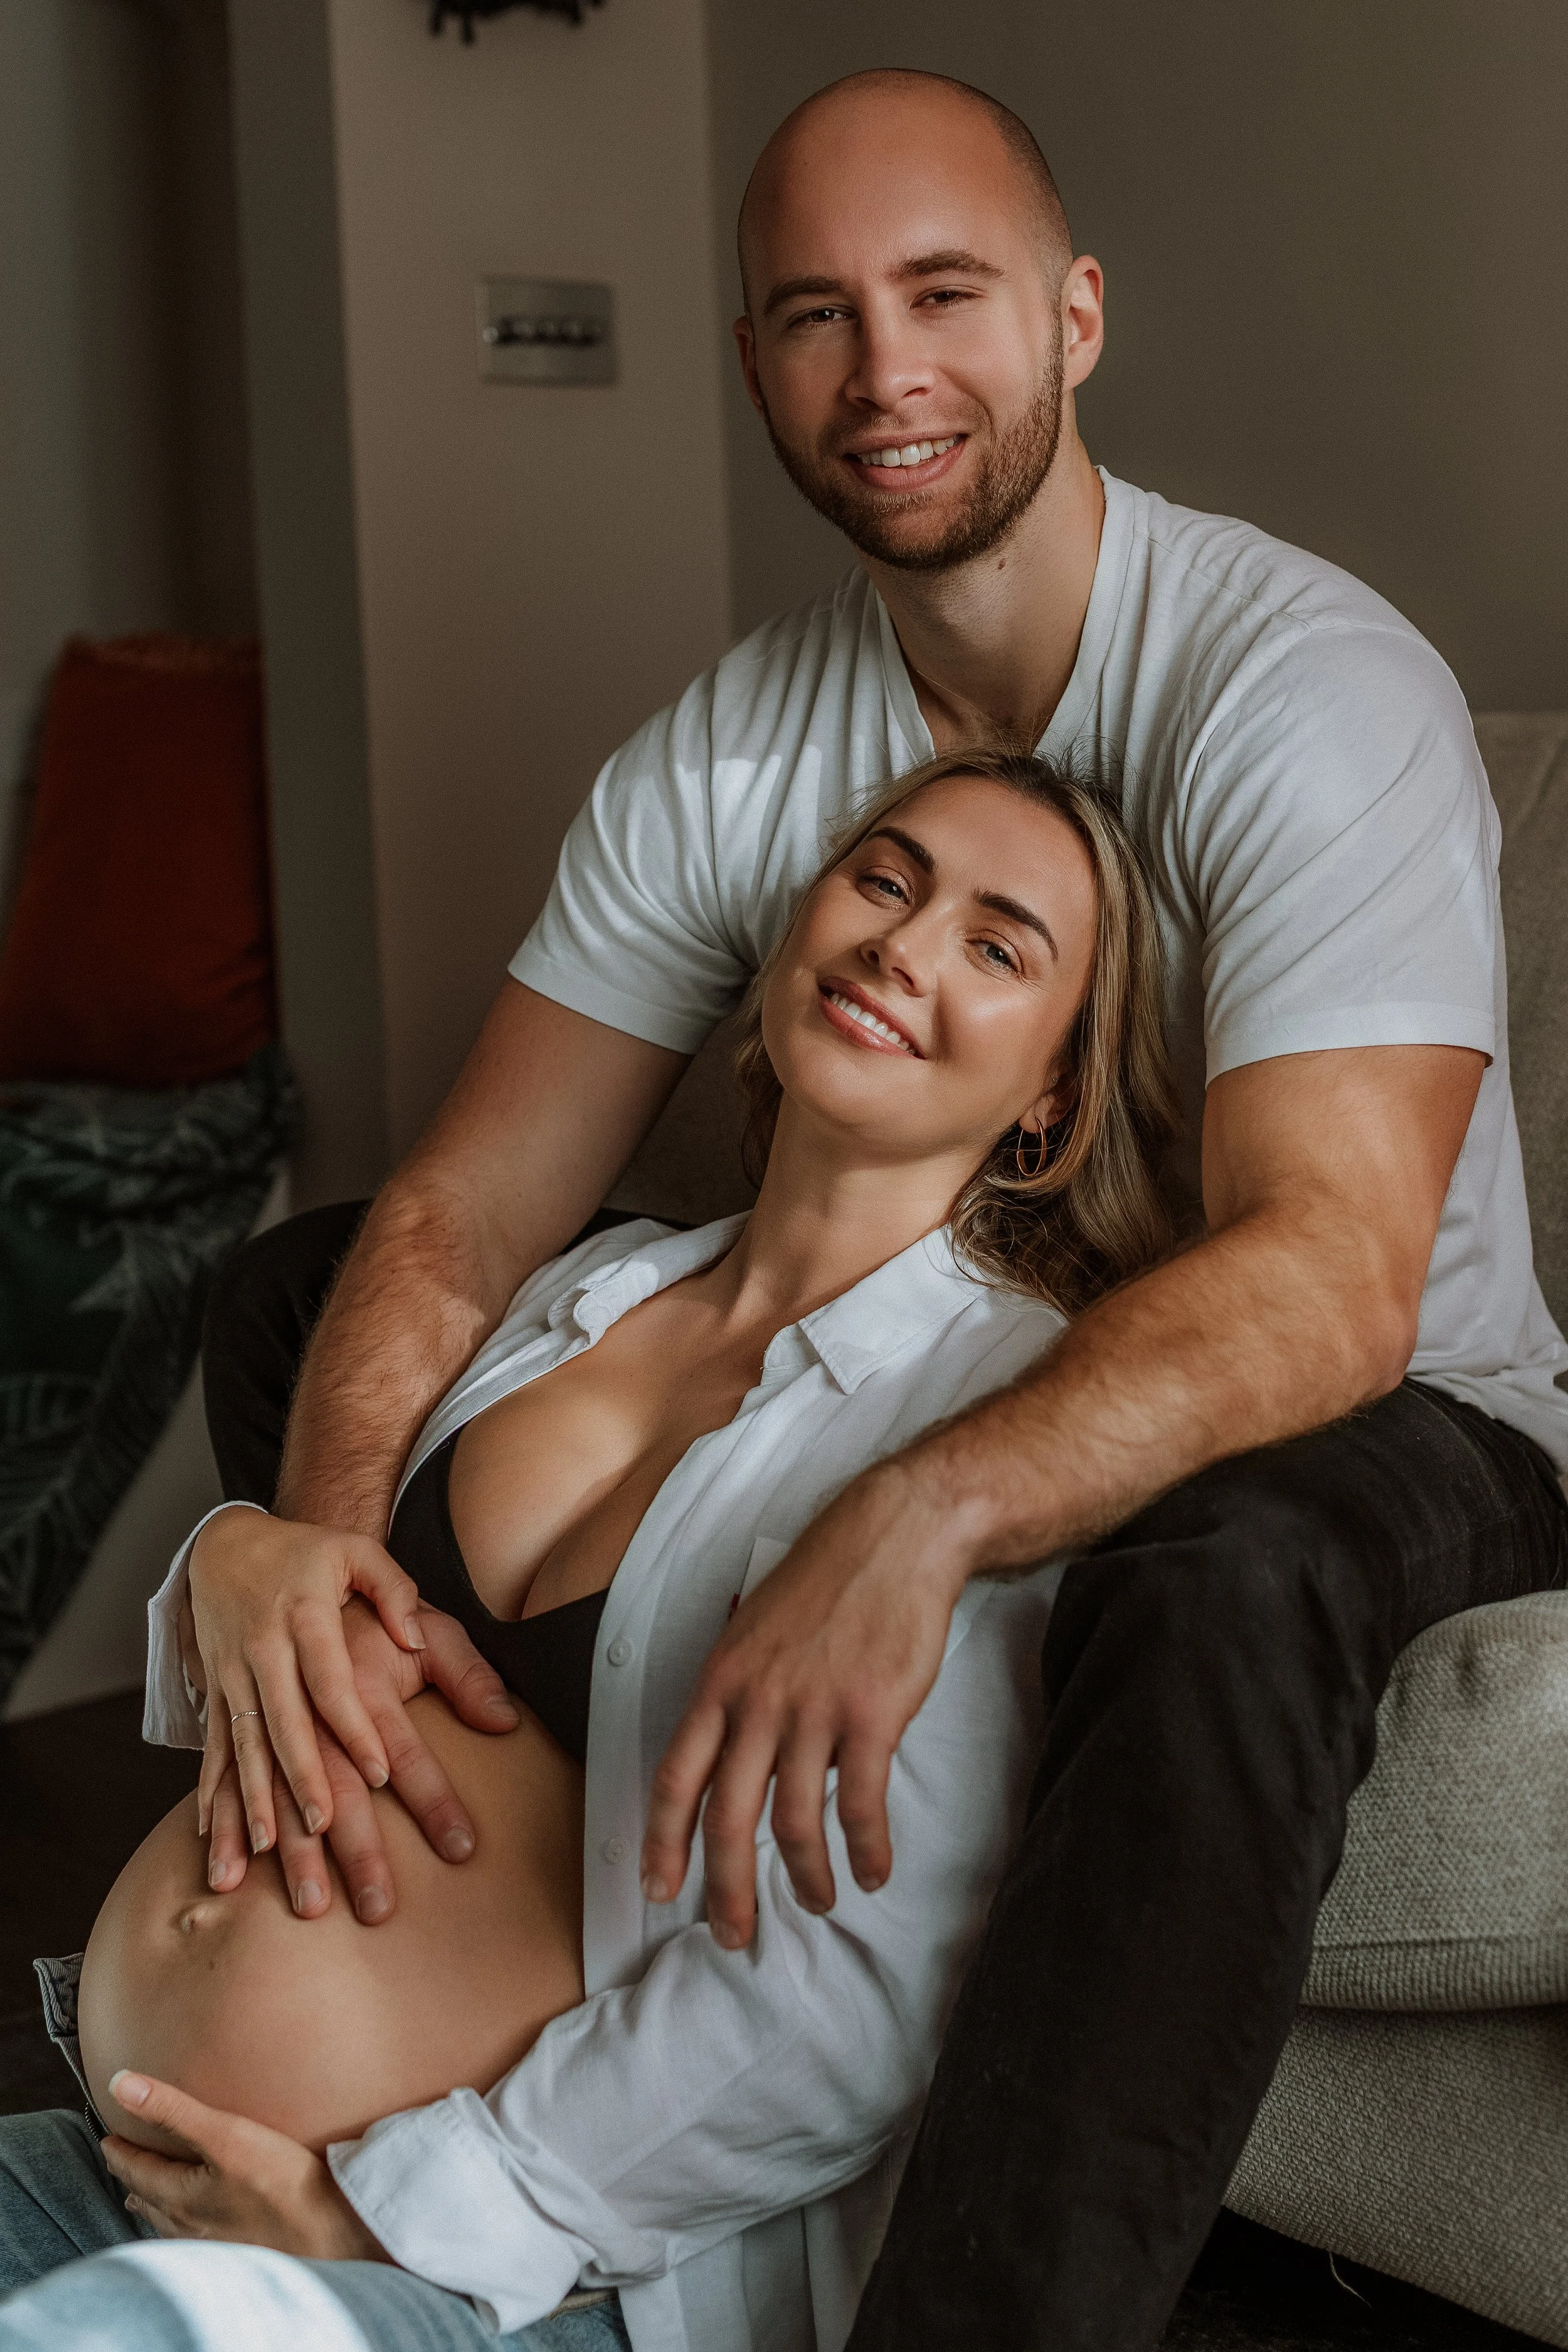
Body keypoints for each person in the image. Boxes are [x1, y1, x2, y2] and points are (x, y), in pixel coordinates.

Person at [9, 59, 1566, 2352]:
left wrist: (917, 1510)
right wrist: (318, 1560)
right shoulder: (747, 747)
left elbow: (1331, 1280)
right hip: (994, 1282)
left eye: (946, 294)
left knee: (1212, 1572)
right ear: (756, 362)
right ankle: (444, 1915)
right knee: (311, 1297)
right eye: (817, 313)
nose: (887, 368)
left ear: (1077, 321)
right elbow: (456, 1206)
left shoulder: (1297, 685)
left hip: (1386, 1397)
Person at [1, 753, 1175, 2352]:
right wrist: (238, 1550)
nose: (903, 943)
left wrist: (387, 2214)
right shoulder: (581, 1297)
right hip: (138, 2150)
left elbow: (853, 2001)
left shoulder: (994, 1423)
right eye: (885, 882)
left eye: (996, 944)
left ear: (1052, 1093)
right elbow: (324, 1684)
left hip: (506, 2277)